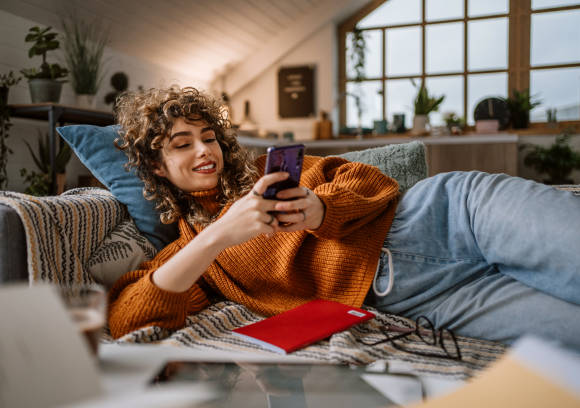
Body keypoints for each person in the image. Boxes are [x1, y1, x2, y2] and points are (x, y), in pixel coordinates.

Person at [108, 85, 580, 351]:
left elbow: (370, 181)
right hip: (428, 300)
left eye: (207, 136)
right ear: (155, 164)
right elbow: (130, 318)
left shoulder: (266, 173)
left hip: (450, 214)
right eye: (182, 143)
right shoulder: (194, 254)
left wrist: (320, 208)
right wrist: (218, 237)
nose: (204, 150)